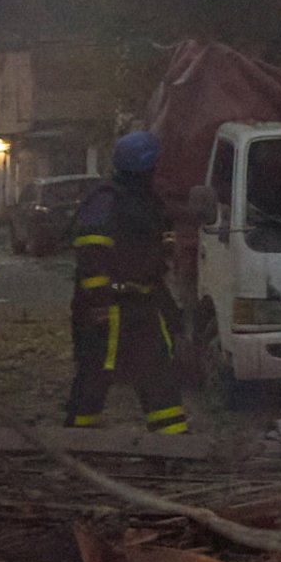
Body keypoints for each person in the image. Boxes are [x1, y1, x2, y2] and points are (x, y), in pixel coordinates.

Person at [65, 132, 187, 435]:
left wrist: (169, 310)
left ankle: (173, 446)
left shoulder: (145, 201)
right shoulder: (106, 200)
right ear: (145, 167)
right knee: (96, 376)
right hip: (108, 310)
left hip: (143, 306)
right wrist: (99, 302)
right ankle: (78, 444)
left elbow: (153, 259)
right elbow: (91, 252)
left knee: (157, 374)